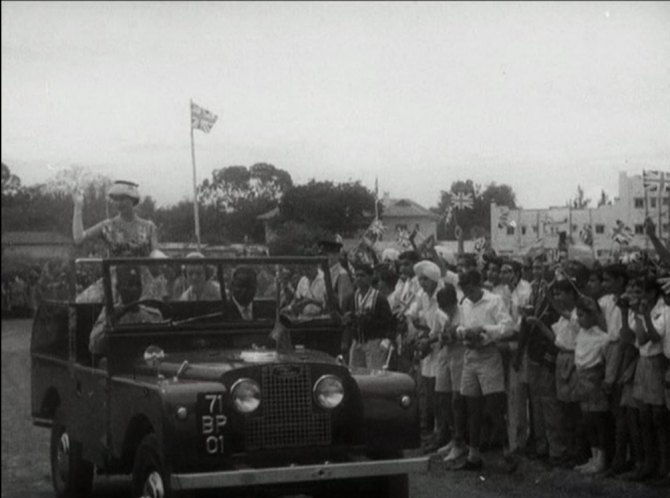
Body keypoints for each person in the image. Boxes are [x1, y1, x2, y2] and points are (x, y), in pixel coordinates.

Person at [451, 269, 515, 472]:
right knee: (471, 405)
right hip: (470, 355)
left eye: (470, 288)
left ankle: (507, 451)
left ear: (478, 284)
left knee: (494, 406)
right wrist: (465, 332)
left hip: (488, 355)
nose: (468, 293)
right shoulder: (465, 302)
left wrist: (485, 329)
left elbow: (508, 327)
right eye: (464, 289)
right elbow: (459, 326)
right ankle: (473, 454)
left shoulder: (494, 301)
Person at [572, 296, 610, 475]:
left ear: (593, 316)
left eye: (582, 315)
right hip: (581, 379)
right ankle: (593, 457)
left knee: (598, 420)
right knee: (587, 419)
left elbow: (604, 360)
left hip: (594, 380)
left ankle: (601, 459)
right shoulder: (580, 333)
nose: (579, 319)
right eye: (578, 315)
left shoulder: (602, 337)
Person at [89, 265, 163, 356]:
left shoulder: (153, 315)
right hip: (118, 362)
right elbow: (94, 347)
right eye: (130, 284)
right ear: (118, 288)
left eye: (138, 284)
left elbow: (161, 346)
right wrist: (113, 319)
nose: (135, 289)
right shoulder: (110, 312)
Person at [73, 180, 158, 257]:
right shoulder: (108, 226)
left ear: (133, 200)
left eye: (123, 199)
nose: (119, 203)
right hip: (114, 273)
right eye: (116, 199)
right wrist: (78, 206)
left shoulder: (148, 227)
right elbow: (79, 238)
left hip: (143, 274)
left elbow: (156, 253)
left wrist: (162, 258)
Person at [341, 263, 394, 371]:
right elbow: (346, 321)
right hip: (357, 341)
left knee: (374, 374)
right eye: (357, 276)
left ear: (370, 278)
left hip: (373, 341)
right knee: (355, 374)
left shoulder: (379, 298)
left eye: (362, 275)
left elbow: (388, 322)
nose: (359, 279)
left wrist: (367, 319)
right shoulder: (351, 298)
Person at [318, 240, 354, 313]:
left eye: (326, 255)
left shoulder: (342, 275)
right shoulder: (328, 272)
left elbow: (343, 305)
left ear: (335, 255)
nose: (322, 258)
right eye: (322, 255)